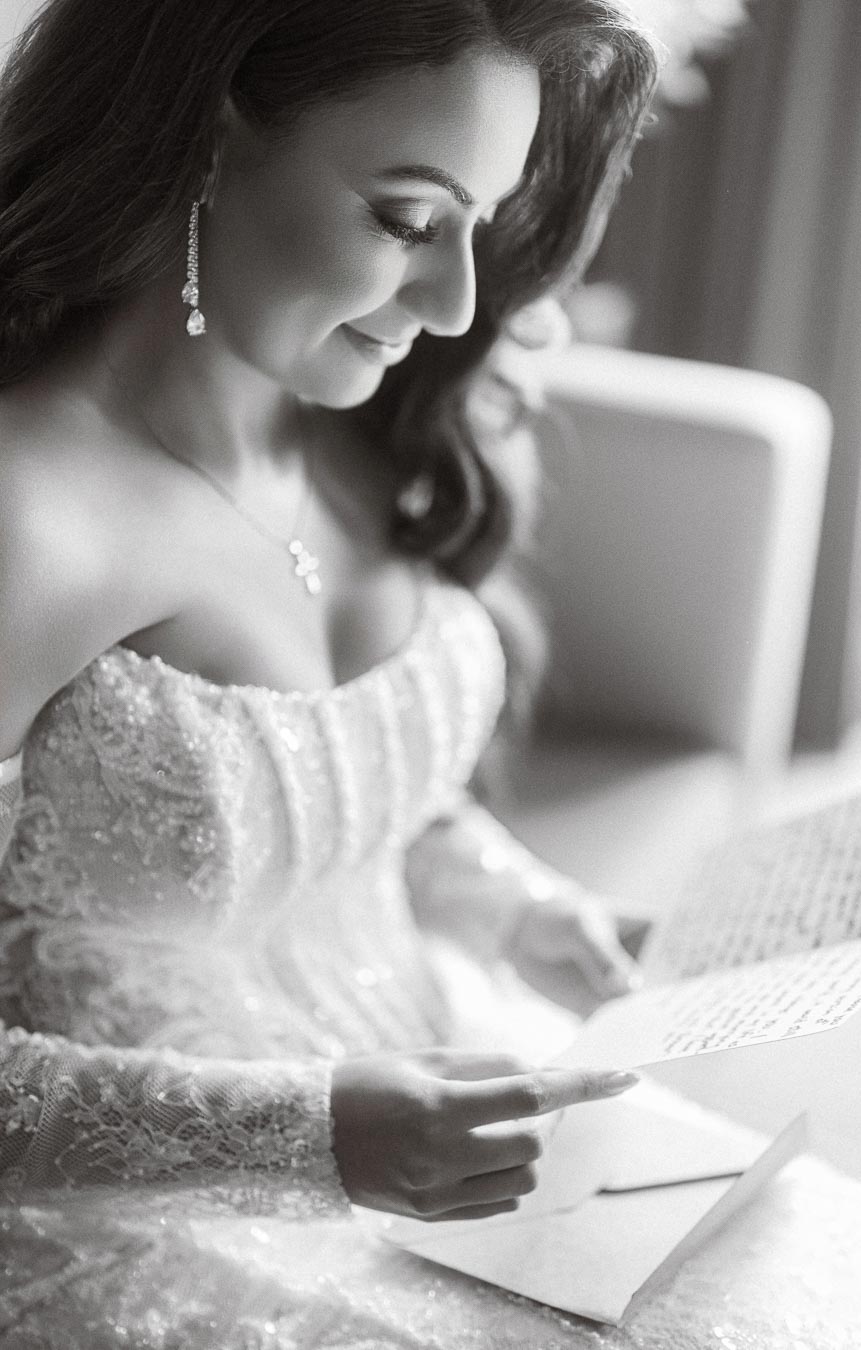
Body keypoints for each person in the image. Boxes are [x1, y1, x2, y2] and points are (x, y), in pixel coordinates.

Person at [0, 0, 666, 1343]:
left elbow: (338, 805)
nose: (460, 300)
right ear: (208, 128)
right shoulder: (30, 521)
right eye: (410, 223)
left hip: (456, 1131)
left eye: (480, 225)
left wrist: (518, 907)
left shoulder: (365, 423)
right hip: (148, 1238)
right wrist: (311, 1136)